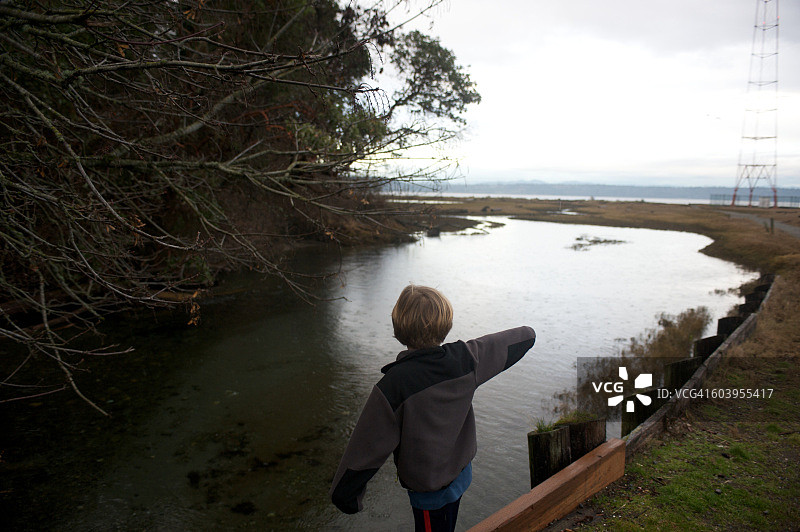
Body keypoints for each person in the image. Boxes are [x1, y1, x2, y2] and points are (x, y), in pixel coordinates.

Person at [330, 284, 536, 531]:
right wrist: (531, 333)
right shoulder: (466, 358)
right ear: (446, 324)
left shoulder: (395, 385)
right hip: (460, 474)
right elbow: (521, 339)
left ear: (398, 328)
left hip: (429, 492)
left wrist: (346, 496)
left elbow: (367, 445)